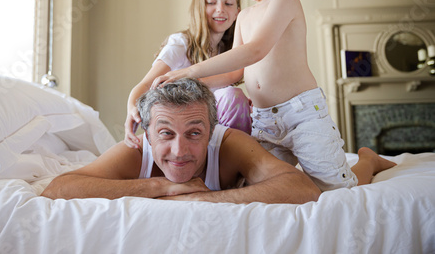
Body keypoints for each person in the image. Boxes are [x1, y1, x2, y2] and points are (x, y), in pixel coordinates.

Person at [150, 0, 397, 191]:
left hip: (302, 115)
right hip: (265, 121)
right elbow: (235, 74)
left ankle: (369, 161)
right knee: (266, 185)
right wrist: (189, 85)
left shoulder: (285, 1)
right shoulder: (244, 16)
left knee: (334, 187)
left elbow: (255, 50)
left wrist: (189, 71)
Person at [41, 79, 395, 203]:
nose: (179, 151)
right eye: (165, 134)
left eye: (194, 133)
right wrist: (160, 188)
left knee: (340, 187)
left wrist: (208, 198)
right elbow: (57, 188)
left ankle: (368, 157)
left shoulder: (229, 143)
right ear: (147, 134)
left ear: (212, 131)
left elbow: (303, 190)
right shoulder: (135, 153)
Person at [124, 0, 252, 149]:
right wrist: (131, 109)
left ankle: (234, 159)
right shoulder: (181, 43)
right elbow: (146, 84)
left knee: (235, 97)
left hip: (213, 126)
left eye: (228, 4)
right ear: (199, 8)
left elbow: (234, 78)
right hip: (183, 122)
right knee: (231, 96)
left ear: (237, 11)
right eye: (211, 3)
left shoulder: (228, 52)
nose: (220, 9)